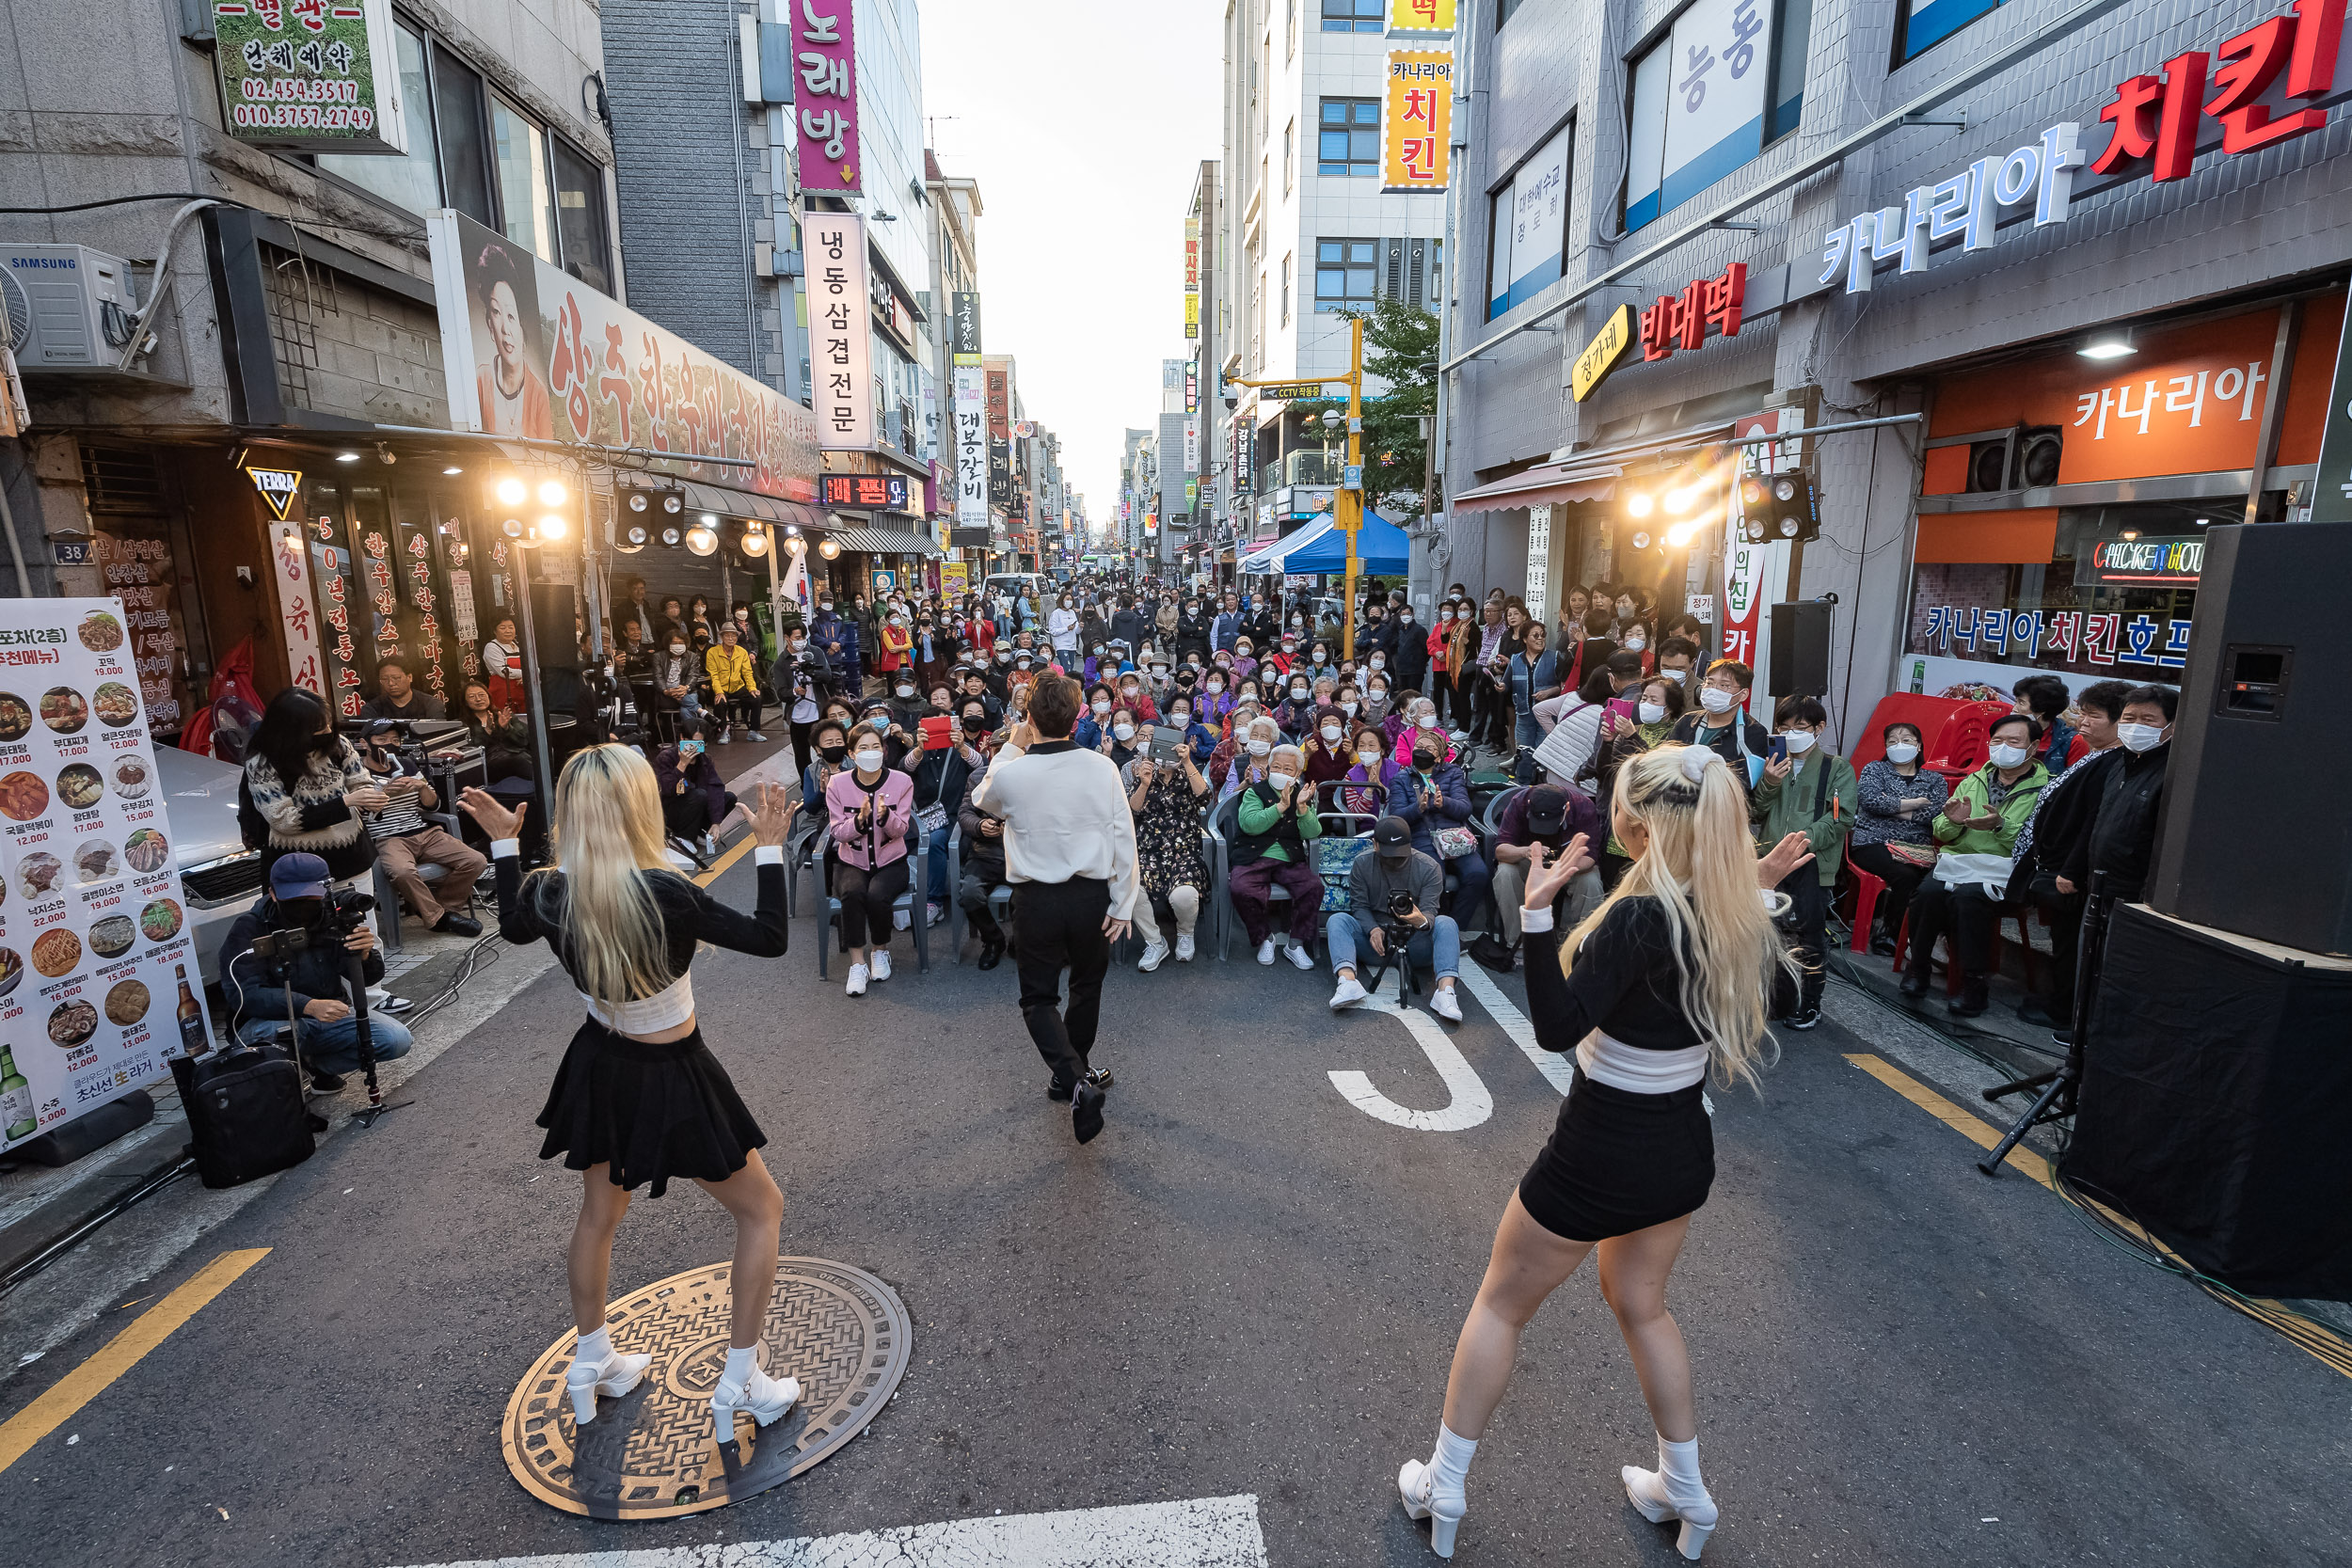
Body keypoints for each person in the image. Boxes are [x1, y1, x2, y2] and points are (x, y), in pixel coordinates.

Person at [1394, 746, 1808, 1563]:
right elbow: (1743, 947)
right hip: (1680, 1147)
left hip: (1598, 1148)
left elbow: (1556, 1029)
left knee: (1502, 1304)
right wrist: (1756, 882)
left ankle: (1445, 1479)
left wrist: (1540, 912)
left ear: (1638, 823)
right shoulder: (1732, 908)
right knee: (1644, 1306)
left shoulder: (1640, 914)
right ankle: (1684, 1488)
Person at [457, 753, 800, 1443]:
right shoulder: (666, 891)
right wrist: (767, 851)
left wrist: (502, 844)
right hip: (672, 1070)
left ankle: (593, 1361)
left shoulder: (549, 891)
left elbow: (514, 928)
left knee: (599, 1211)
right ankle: (742, 1378)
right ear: (638, 808)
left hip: (599, 1063)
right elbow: (769, 938)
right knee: (762, 1209)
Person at [971, 674, 1139, 1144]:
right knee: (1087, 986)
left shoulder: (1013, 771)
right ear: (1078, 713)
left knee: (1038, 998)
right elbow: (1124, 837)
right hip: (1091, 896)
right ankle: (1074, 1074)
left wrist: (1010, 746)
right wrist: (1124, 903)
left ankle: (1073, 1077)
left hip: (1036, 901)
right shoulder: (1102, 768)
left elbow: (982, 798)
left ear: (1029, 718)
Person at [220, 851, 417, 1093]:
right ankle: (284, 1087)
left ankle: (318, 1069)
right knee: (271, 1034)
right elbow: (244, 995)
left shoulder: (333, 917)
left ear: (325, 891)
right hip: (271, 1021)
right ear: (272, 893)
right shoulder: (250, 927)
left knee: (396, 1039)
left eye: (310, 898)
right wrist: (308, 1005)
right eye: (293, 899)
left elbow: (368, 979)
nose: (303, 906)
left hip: (329, 1014)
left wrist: (365, 955)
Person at [2001, 680, 2132, 1028]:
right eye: (2082, 713)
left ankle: (2063, 1010)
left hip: (2070, 871)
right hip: (2053, 862)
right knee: (2063, 940)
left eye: (2093, 716)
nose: (2082, 722)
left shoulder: (2114, 762)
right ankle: (2059, 1002)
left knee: (2071, 944)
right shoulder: (2098, 754)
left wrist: (2071, 871)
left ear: (2121, 721)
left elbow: (2092, 822)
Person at [1901, 712, 2049, 1017]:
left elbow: (2035, 842)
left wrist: (1999, 825)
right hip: (1961, 861)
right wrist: (1953, 823)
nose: (2003, 747)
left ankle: (1974, 985)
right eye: (1997, 741)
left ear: (2033, 747)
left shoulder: (2046, 788)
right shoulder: (1975, 778)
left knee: (1969, 898)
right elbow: (1942, 829)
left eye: (2013, 741)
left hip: (2007, 871)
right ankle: (1918, 969)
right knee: (1927, 893)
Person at [1749, 697, 1857, 1030]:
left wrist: (1801, 841)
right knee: (1766, 931)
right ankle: (1773, 997)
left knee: (1809, 935)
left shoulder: (1837, 768)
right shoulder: (1772, 763)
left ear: (1818, 729)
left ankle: (1810, 1002)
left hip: (1810, 860)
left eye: (1800, 727)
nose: (1791, 733)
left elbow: (1841, 818)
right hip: (1768, 860)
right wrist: (1769, 782)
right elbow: (1756, 811)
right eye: (1784, 727)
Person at [1325, 815, 1466, 1019]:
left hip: (1415, 940)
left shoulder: (1429, 867)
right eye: (1389, 854)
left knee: (1447, 923)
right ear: (1375, 845)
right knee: (1338, 920)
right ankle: (1347, 981)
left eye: (1400, 854)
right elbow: (1359, 906)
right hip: (1376, 941)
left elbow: (1430, 911)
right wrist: (1372, 929)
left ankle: (1445, 992)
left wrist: (1419, 920)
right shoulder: (1362, 864)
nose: (1394, 860)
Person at [356, 721, 485, 937]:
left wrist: (422, 786)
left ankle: (443, 911)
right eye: (382, 740)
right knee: (402, 872)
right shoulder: (357, 772)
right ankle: (440, 918)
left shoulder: (406, 764)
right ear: (365, 744)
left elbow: (433, 804)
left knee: (476, 860)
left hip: (422, 831)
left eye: (395, 740)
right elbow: (359, 813)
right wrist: (386, 792)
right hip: (388, 837)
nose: (390, 745)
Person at [242, 687, 382, 884]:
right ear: (292, 731)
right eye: (319, 728)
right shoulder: (263, 763)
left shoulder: (339, 745)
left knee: (361, 914)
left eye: (328, 723)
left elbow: (361, 782)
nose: (329, 731)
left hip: (353, 857)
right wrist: (345, 802)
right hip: (297, 868)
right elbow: (283, 819)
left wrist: (369, 798)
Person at [824, 721, 914, 997]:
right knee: (851, 892)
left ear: (884, 751)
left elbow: (902, 830)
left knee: (877, 895)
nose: (870, 752)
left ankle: (880, 950)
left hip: (891, 862)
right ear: (851, 753)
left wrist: (885, 817)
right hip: (852, 861)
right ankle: (857, 963)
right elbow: (837, 832)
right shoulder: (838, 784)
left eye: (876, 746)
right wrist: (860, 821)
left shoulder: (902, 781)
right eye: (863, 747)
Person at [1847, 720, 1951, 955]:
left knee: (1933, 880)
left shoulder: (1934, 780)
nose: (1899, 745)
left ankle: (1925, 940)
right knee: (1904, 876)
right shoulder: (1875, 769)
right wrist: (1913, 804)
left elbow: (1937, 812)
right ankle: (1889, 935)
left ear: (1919, 745)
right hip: (1873, 841)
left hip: (1917, 847)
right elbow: (1870, 800)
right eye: (1892, 741)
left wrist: (1893, 806)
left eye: (1906, 740)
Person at [1227, 740, 1327, 967]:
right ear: (1270, 768)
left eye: (1288, 769)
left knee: (1313, 887)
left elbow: (1313, 832)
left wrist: (1302, 808)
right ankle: (1265, 937)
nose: (1281, 772)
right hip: (1253, 855)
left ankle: (1296, 943)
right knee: (1241, 888)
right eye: (1277, 767)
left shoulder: (1302, 794)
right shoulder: (1254, 792)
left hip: (1288, 858)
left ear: (1297, 773)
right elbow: (1250, 824)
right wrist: (1280, 807)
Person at [1486, 784, 1605, 970]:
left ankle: (1577, 944)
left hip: (1569, 862)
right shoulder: (1519, 803)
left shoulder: (1584, 806)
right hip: (1531, 859)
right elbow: (1501, 850)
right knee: (1505, 873)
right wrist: (1525, 851)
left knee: (1590, 882)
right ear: (1530, 805)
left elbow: (1590, 857)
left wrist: (1564, 867)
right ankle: (1519, 944)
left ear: (1566, 808)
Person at [1391, 723, 1490, 930]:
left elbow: (1465, 808)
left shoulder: (1452, 773)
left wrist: (1443, 803)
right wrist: (1417, 808)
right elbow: (1396, 816)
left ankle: (1456, 927)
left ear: (1439, 757)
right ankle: (1433, 925)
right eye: (1419, 746)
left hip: (1454, 836)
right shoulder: (1402, 778)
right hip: (1421, 837)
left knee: (1478, 874)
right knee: (1436, 877)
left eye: (1429, 749)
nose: (1422, 751)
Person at [1123, 740, 1209, 969]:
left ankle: (1185, 932)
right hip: (1150, 852)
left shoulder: (1187, 775)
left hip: (1184, 852)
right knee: (1129, 886)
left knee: (1184, 895)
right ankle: (1154, 941)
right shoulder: (1145, 774)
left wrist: (1188, 762)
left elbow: (1205, 797)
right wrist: (1144, 783)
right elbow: (1133, 810)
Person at [1670, 659, 1769, 791]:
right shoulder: (1687, 721)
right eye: (1709, 683)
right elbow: (1667, 762)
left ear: (1743, 694)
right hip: (1681, 803)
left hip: (1722, 807)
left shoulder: (1754, 732)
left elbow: (1744, 785)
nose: (1713, 690)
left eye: (1724, 685)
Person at [654, 718, 736, 860]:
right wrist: (682, 765)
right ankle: (683, 836)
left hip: (695, 806)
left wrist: (716, 822)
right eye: (690, 743)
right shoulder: (666, 757)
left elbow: (715, 787)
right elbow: (667, 790)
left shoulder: (705, 760)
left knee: (729, 797)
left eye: (699, 744)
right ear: (681, 738)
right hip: (671, 810)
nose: (693, 748)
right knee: (699, 794)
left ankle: (699, 831)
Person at [2013, 674, 2088, 772]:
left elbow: (2076, 782)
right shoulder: (2005, 734)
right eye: (2016, 702)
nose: (2014, 708)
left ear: (2042, 709)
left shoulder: (2073, 742)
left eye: (2021, 703)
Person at [705, 624, 765, 743]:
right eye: (727, 636)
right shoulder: (712, 652)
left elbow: (747, 672)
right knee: (719, 701)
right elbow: (714, 675)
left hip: (738, 685)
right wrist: (719, 692)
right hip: (721, 686)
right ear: (722, 637)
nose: (731, 638)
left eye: (734, 636)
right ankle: (723, 732)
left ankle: (754, 731)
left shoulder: (741, 651)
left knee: (756, 698)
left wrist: (752, 688)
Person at [1505, 620, 1555, 752]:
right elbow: (1505, 684)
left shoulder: (1555, 657)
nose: (1540, 639)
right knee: (1523, 753)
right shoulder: (1515, 659)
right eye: (1536, 635)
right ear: (1525, 639)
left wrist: (1549, 692)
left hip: (1547, 715)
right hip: (1523, 713)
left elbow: (1564, 686)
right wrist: (1500, 686)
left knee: (1543, 754)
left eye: (1543, 635)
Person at [363, 658, 446, 722]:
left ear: (409, 677)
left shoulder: (431, 704)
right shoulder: (372, 708)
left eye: (396, 678)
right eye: (384, 679)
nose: (391, 683)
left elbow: (438, 735)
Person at [482, 617, 526, 714]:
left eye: (511, 627)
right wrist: (526, 675)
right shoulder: (492, 647)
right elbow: (504, 672)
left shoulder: (519, 646)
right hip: (503, 696)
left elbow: (535, 667)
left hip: (523, 695)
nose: (508, 631)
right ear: (495, 631)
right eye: (502, 628)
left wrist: (527, 677)